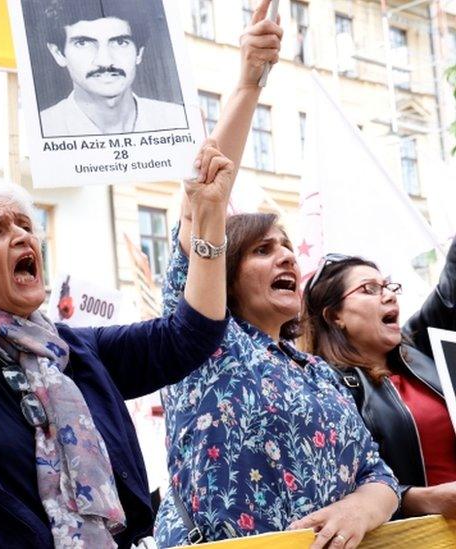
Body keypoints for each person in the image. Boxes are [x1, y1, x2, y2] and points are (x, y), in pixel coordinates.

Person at [0, 2, 231, 546]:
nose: (24, 237)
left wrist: (209, 216)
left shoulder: (78, 354)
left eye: (27, 225)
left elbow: (191, 335)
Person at [154, 2, 399, 547]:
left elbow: (379, 477)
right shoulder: (202, 343)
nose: (287, 256)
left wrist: (361, 507)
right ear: (223, 268)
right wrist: (247, 83)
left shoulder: (319, 374)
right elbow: (201, 207)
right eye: (263, 250)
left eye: (288, 247)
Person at [303, 242, 456, 519]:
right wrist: (422, 499)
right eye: (369, 289)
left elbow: (450, 295)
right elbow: (339, 489)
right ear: (334, 315)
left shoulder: (420, 352)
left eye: (388, 286)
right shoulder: (323, 389)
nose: (389, 296)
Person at [37, 0, 186, 136]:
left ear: (139, 52)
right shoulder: (41, 130)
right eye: (83, 43)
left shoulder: (179, 121)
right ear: (58, 54)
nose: (105, 61)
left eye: (120, 42)